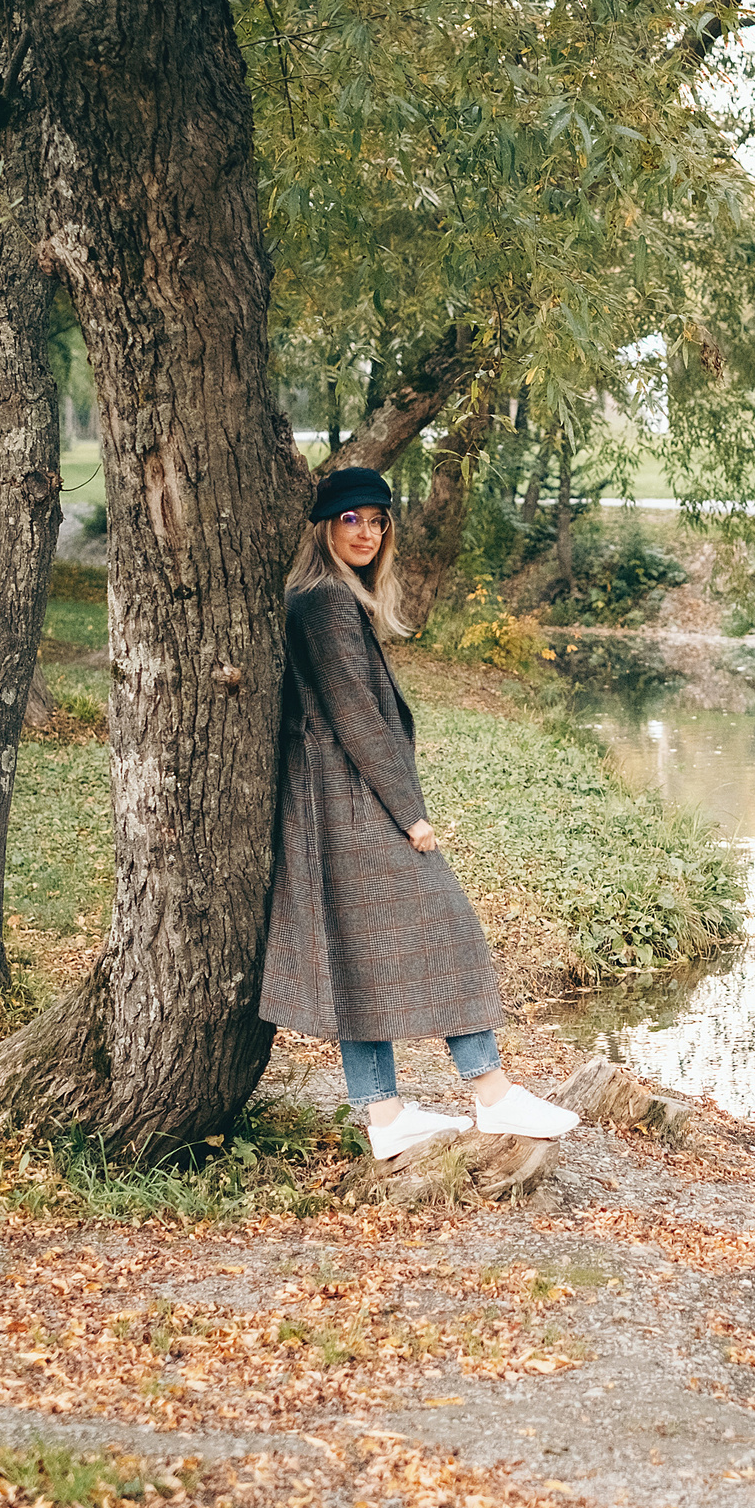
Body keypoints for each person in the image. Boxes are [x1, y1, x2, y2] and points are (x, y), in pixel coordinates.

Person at [260, 464, 580, 1160]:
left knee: (354, 954)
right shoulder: (324, 601)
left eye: (377, 521)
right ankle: (492, 1094)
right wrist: (411, 814)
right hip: (347, 802)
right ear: (324, 527)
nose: (366, 533)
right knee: (450, 926)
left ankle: (385, 1115)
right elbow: (358, 719)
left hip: (328, 806)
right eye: (351, 519)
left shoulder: (320, 597)